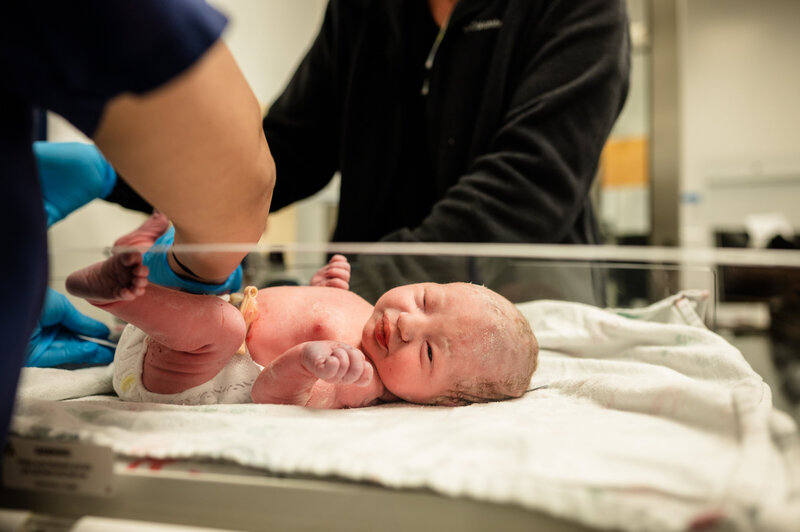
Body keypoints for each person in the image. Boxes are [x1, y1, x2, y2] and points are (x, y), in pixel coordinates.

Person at [103, 0, 630, 299]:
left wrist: (357, 281)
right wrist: (121, 175)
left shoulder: (579, 8)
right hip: (354, 310)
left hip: (524, 304)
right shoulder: (365, 8)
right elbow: (290, 147)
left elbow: (529, 187)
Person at [1, 1, 276, 445]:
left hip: (192, 344)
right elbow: (240, 183)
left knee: (217, 326)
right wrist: (204, 267)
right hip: (200, 323)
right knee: (218, 323)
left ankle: (134, 290)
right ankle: (144, 286)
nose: (407, 319)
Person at [65, 214, 539, 408]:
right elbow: (301, 311)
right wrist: (320, 291)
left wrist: (304, 363)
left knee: (222, 325)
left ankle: (121, 293)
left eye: (431, 353)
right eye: (426, 300)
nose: (409, 324)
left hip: (190, 380)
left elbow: (271, 398)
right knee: (216, 280)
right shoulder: (369, 315)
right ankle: (146, 266)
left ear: (437, 400)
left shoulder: (359, 380)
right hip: (182, 328)